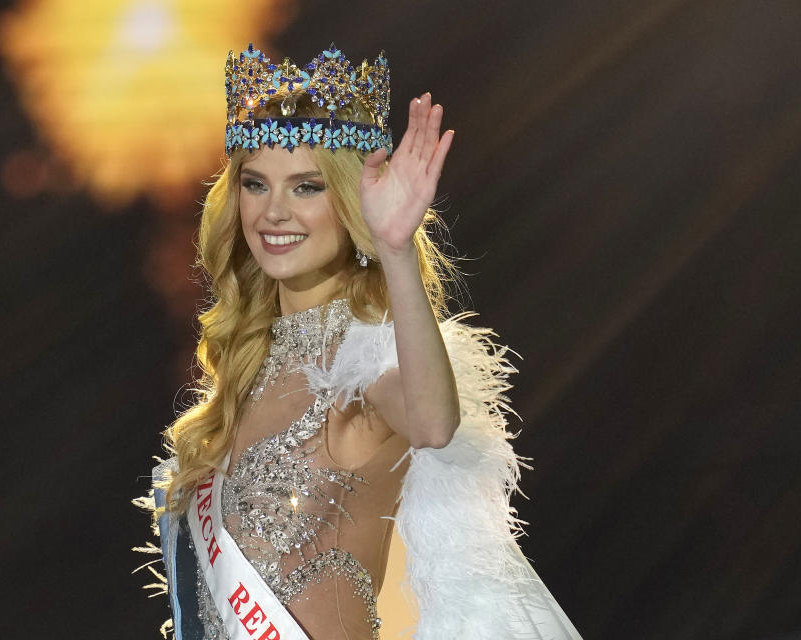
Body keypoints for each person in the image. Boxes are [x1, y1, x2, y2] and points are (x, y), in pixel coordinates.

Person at [134, 43, 582, 640]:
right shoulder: (245, 369)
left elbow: (432, 424)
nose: (273, 212)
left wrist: (395, 248)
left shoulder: (364, 362)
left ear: (350, 204)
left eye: (306, 187)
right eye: (256, 184)